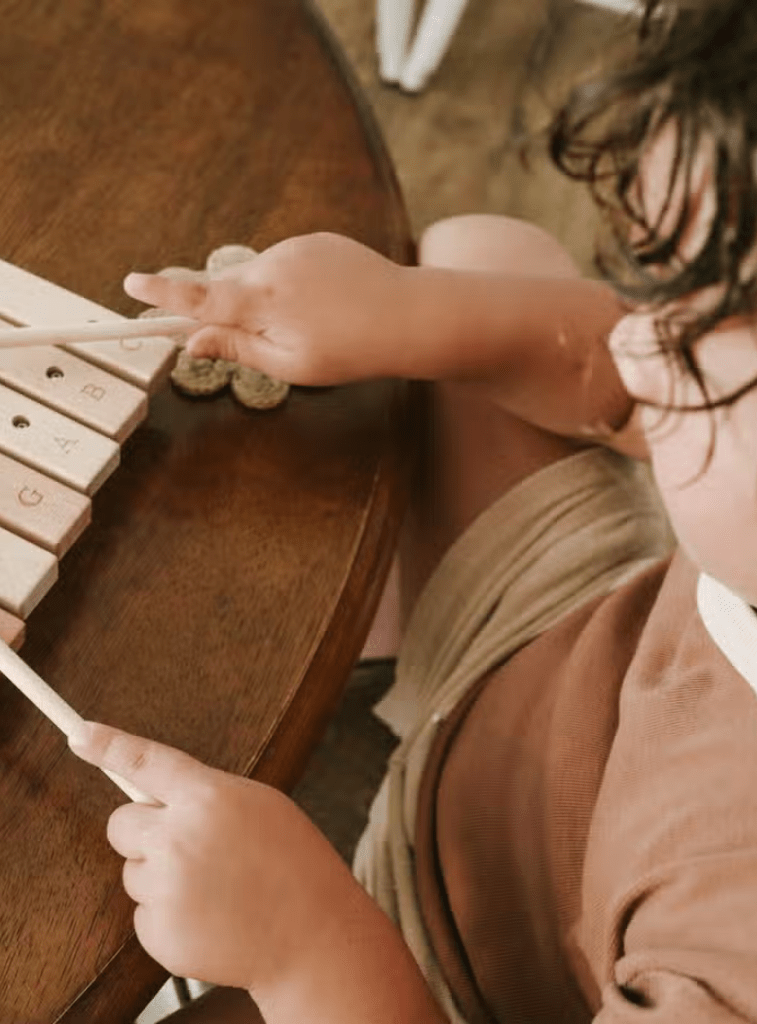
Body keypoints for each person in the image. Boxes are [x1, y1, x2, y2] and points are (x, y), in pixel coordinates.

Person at [69, 0, 757, 1020]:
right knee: (483, 251)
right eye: (664, 287)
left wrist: (305, 943)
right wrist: (396, 312)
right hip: (569, 662)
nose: (631, 344)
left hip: (457, 966)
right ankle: (391, 661)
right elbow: (620, 379)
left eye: (693, 344)